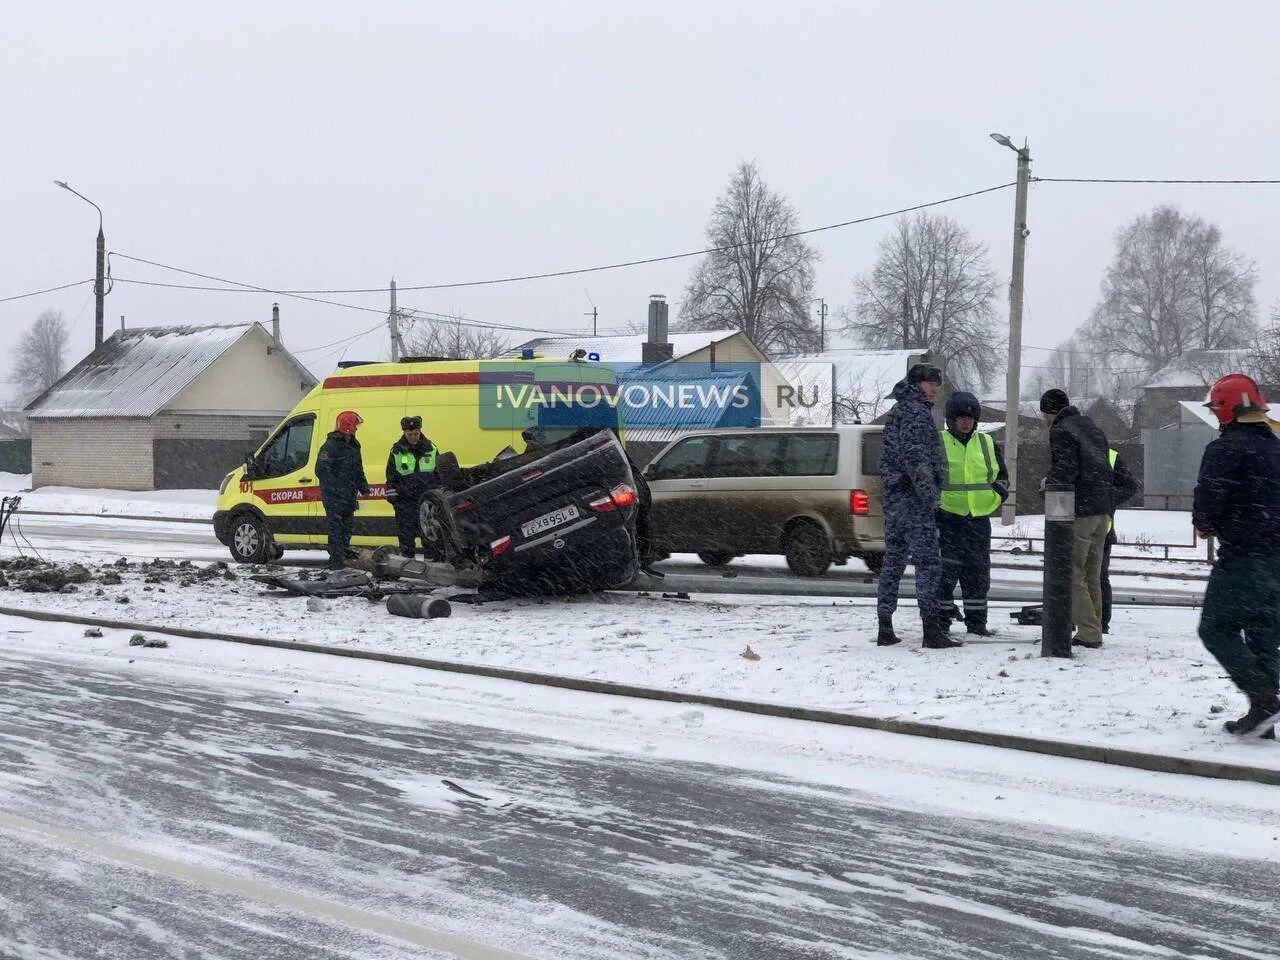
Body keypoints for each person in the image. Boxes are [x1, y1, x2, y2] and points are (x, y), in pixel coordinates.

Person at [1193, 373, 1280, 739]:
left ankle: (1263, 700)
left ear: (1228, 409)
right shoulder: (1277, 445)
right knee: (1263, 634)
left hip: (1245, 556)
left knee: (1215, 628)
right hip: (1277, 557)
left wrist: (1204, 523)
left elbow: (1208, 505)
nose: (1216, 417)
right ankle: (1264, 722)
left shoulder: (1225, 449)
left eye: (1217, 410)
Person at [876, 363, 959, 649]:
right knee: (928, 564)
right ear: (917, 384)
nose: (935, 387)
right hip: (913, 499)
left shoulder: (898, 410)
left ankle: (884, 625)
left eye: (936, 383)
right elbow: (915, 457)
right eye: (929, 383)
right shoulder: (915, 412)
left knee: (893, 562)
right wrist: (931, 497)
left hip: (895, 498)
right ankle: (931, 630)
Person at [1039, 389, 1113, 649]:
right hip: (1102, 511)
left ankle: (1089, 632)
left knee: (1072, 573)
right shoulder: (1091, 427)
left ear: (1049, 412)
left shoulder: (1061, 430)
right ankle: (1096, 626)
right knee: (1092, 575)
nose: (1045, 421)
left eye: (1044, 416)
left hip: (1080, 511)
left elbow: (1067, 469)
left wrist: (1049, 483)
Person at [935, 391, 1008, 637]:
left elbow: (1002, 477)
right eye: (961, 417)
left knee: (977, 575)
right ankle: (941, 622)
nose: (967, 422)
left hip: (978, 519)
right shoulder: (938, 442)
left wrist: (998, 495)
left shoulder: (987, 443)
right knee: (946, 574)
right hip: (948, 518)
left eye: (971, 417)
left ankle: (977, 624)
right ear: (951, 419)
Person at [315, 410, 370, 571]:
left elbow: (358, 469)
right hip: (334, 497)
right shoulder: (330, 446)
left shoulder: (353, 446)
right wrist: (336, 488)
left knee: (347, 528)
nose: (356, 430)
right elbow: (321, 470)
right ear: (347, 427)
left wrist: (363, 486)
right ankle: (335, 561)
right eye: (354, 427)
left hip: (348, 495)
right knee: (336, 529)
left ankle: (342, 556)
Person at [384, 415, 440, 560]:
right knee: (406, 534)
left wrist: (438, 495)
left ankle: (431, 562)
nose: (413, 437)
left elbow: (439, 473)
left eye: (416, 433)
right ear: (404, 433)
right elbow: (391, 476)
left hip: (426, 501)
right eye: (409, 434)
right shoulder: (396, 451)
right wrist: (393, 496)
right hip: (405, 501)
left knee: (429, 534)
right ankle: (407, 562)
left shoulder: (431, 449)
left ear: (420, 431)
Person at [1100, 448, 1139, 634]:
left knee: (1097, 577)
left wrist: (1104, 498)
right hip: (1088, 526)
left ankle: (1100, 623)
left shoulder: (1111, 456)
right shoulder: (1070, 449)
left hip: (1100, 528)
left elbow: (1130, 487)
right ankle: (1091, 622)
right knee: (1092, 577)